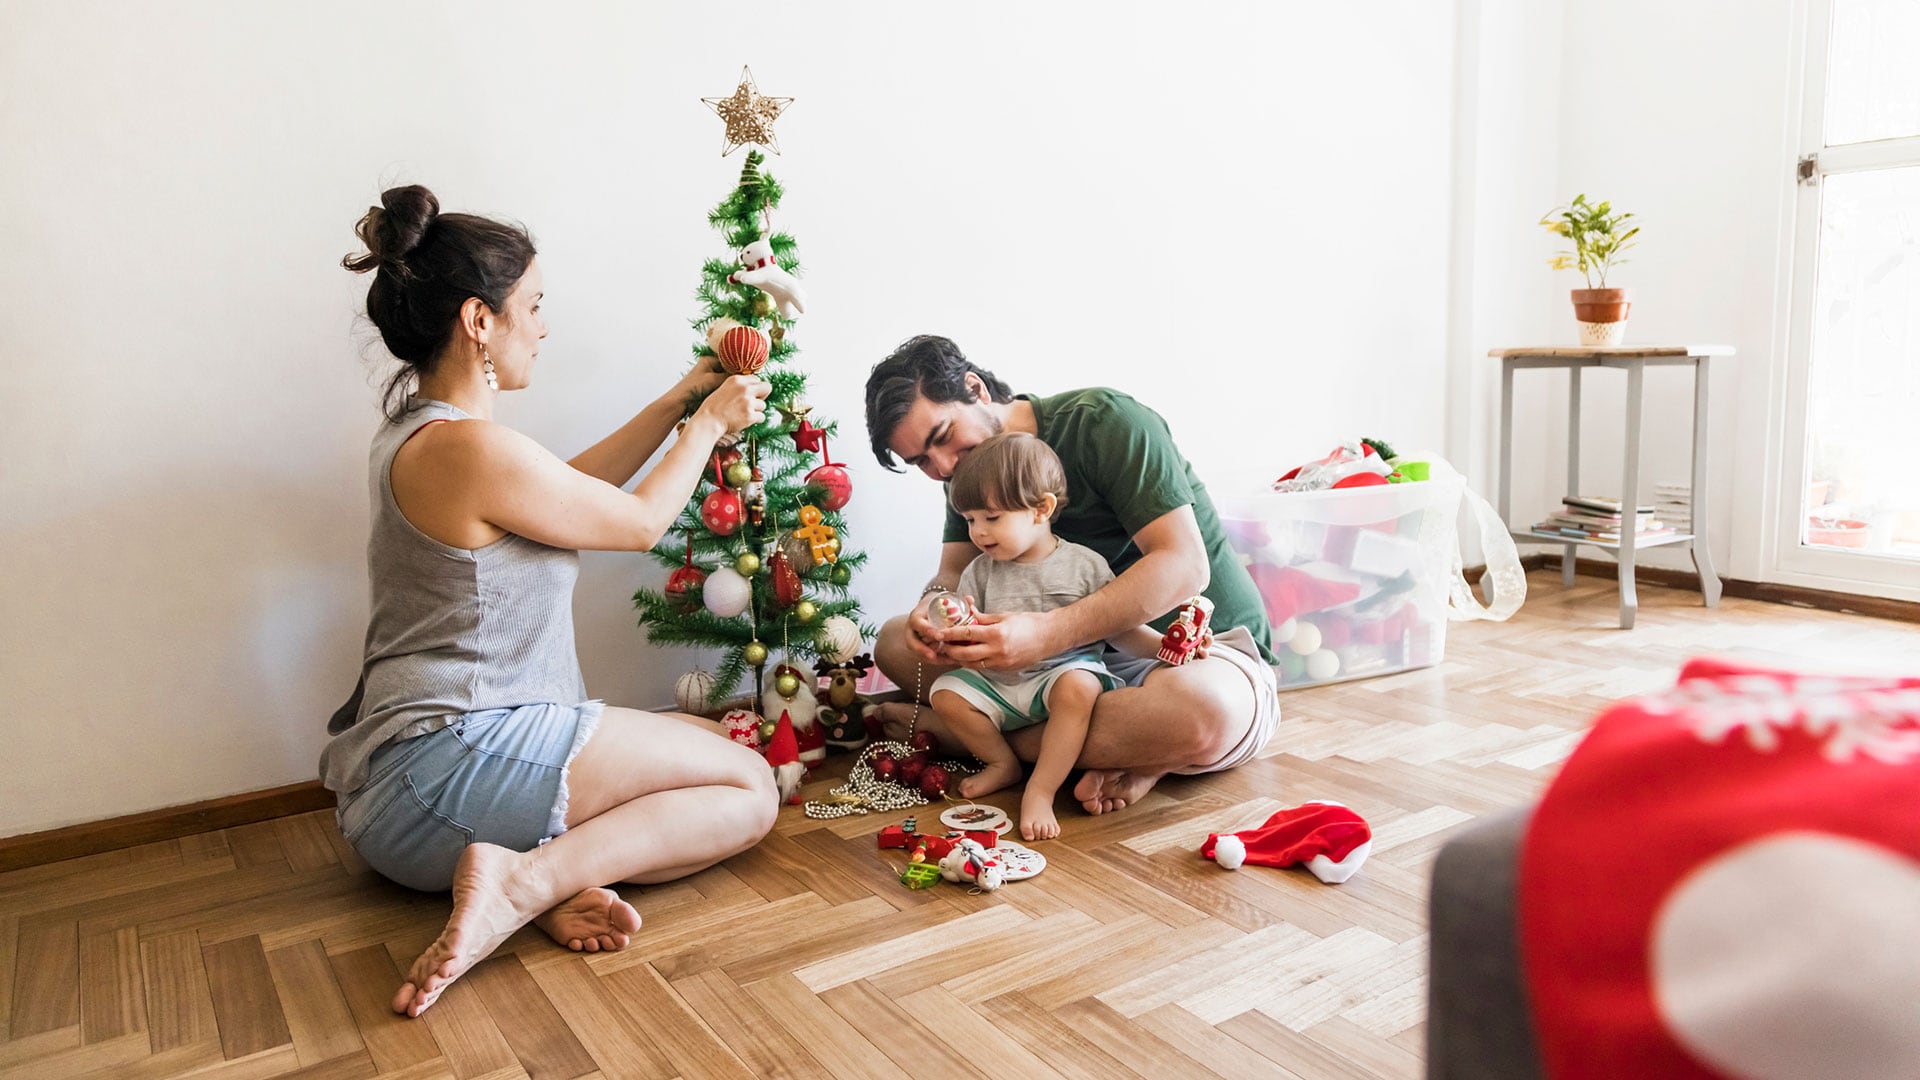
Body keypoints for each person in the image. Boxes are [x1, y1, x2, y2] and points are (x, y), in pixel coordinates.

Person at [321, 185, 777, 1019]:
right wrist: (707, 427)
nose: (541, 324)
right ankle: (520, 882)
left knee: (705, 741)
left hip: (427, 773)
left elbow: (569, 491)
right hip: (440, 773)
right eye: (530, 305)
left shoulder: (439, 437)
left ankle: (548, 876)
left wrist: (680, 400)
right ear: (478, 321)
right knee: (750, 786)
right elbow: (637, 522)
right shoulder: (463, 448)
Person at [863, 335, 1280, 817]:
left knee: (1206, 715)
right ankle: (1128, 753)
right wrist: (932, 608)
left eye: (941, 437)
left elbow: (1184, 566)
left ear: (975, 389)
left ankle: (963, 737)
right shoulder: (967, 471)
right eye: (921, 462)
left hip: (1183, 653)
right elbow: (953, 573)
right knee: (895, 642)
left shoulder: (1105, 421)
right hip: (1054, 667)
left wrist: (1046, 633)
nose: (943, 467)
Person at [932, 432, 1167, 840]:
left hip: (1062, 673)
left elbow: (1120, 627)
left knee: (1079, 687)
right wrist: (950, 626)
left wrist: (1164, 647)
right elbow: (966, 624)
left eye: (991, 517)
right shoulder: (980, 571)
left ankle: (1040, 790)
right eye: (970, 520)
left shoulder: (1083, 565)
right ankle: (1001, 763)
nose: (978, 533)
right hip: (1001, 682)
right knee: (945, 693)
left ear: (1041, 509)